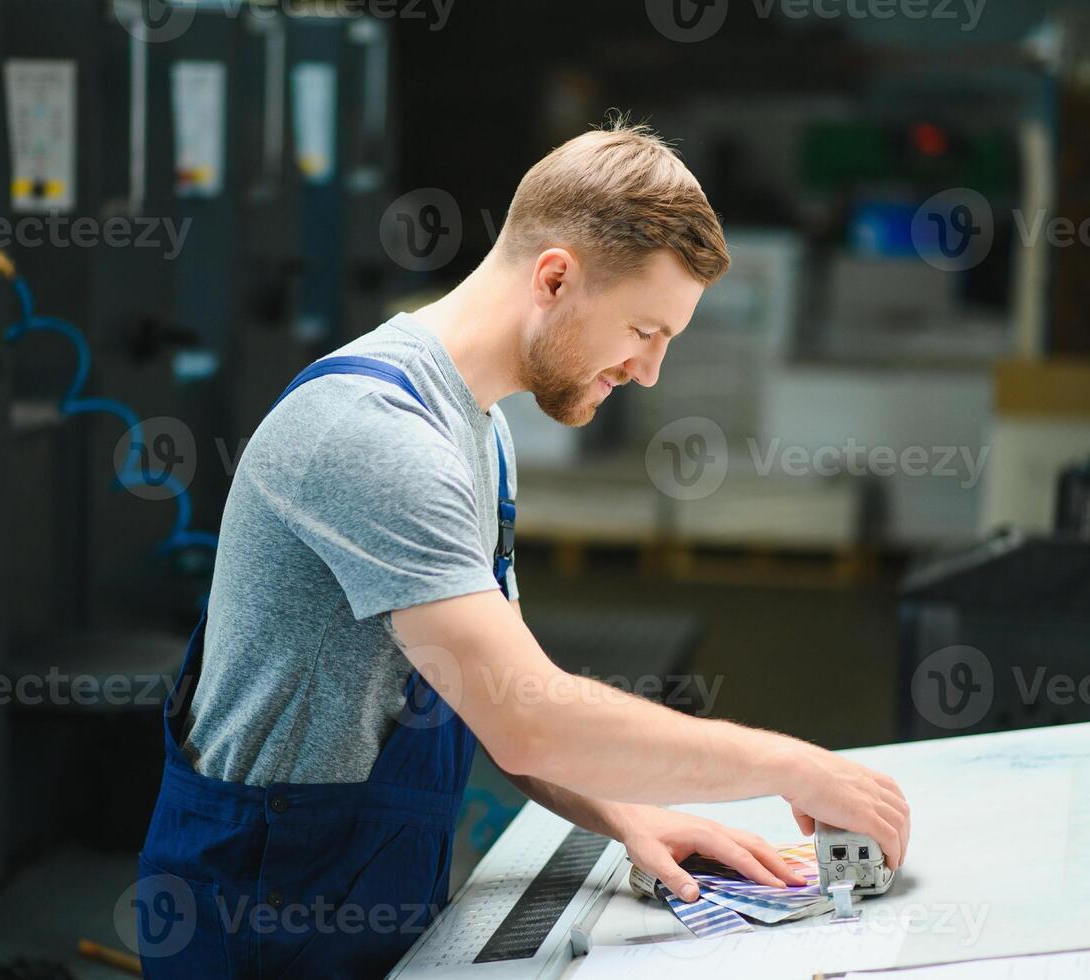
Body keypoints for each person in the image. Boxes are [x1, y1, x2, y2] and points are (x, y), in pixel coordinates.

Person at [137, 119, 910, 979]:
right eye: (643, 331)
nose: (647, 371)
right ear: (554, 277)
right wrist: (791, 765)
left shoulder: (481, 432)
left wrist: (627, 814)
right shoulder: (370, 433)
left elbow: (490, 695)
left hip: (362, 895)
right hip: (260, 914)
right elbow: (531, 719)